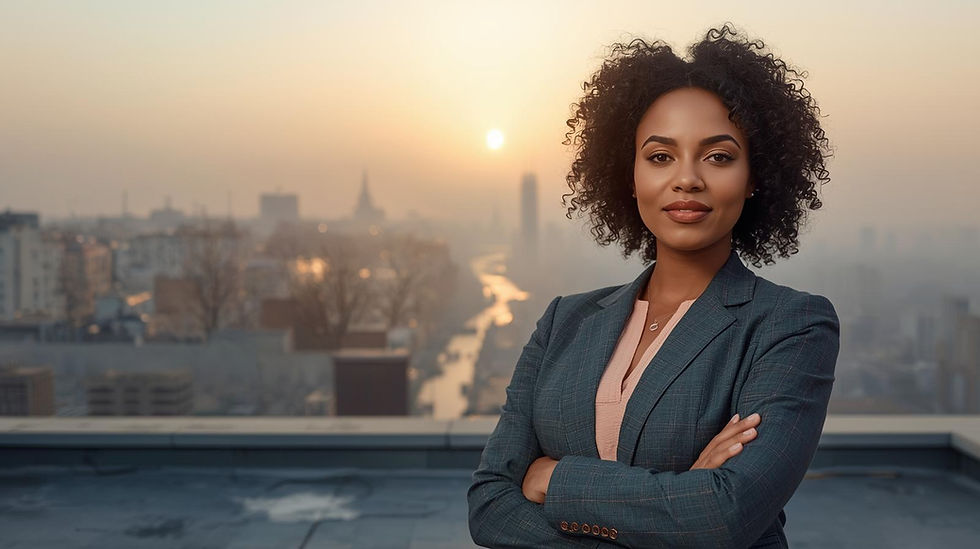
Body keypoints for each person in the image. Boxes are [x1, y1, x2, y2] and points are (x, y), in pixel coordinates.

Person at [467, 22, 840, 549]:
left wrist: (553, 480)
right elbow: (488, 508)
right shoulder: (563, 321)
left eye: (719, 156)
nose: (686, 178)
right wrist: (681, 496)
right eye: (660, 156)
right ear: (630, 174)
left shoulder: (791, 326)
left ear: (755, 175)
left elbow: (724, 516)